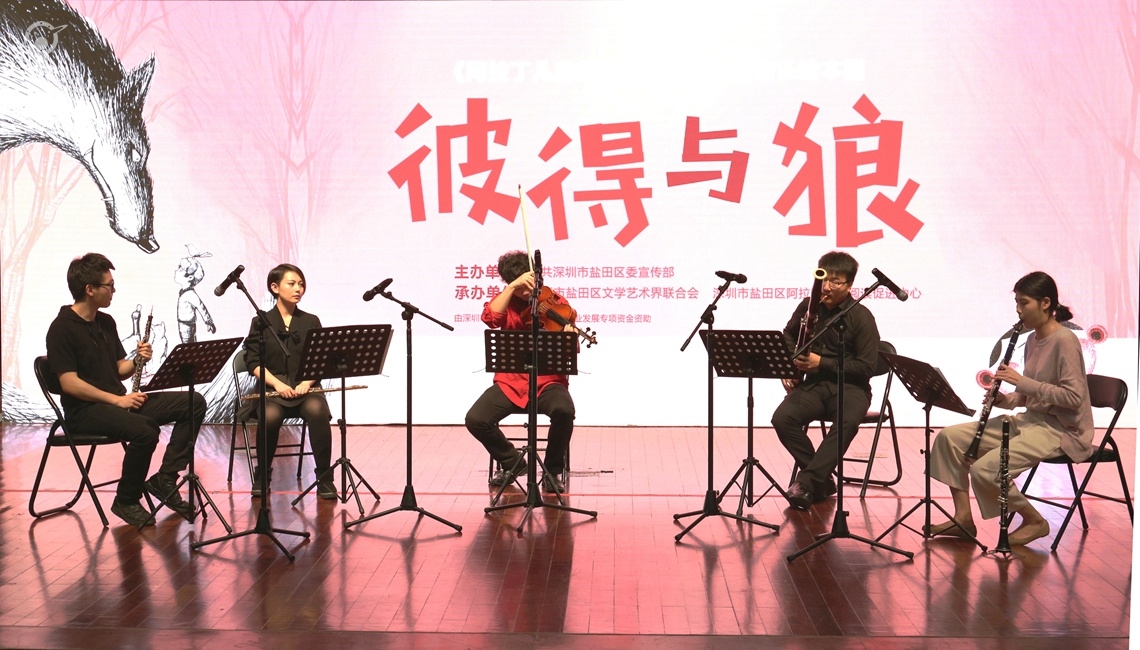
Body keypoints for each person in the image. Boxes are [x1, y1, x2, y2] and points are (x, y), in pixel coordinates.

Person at [927, 271, 1093, 546]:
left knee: (986, 469)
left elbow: (1073, 398)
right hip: (1030, 421)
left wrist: (1022, 383)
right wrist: (1006, 400)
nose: (1018, 310)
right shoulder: (1032, 340)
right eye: (1016, 302)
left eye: (1024, 303)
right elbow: (1028, 396)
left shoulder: (1065, 340)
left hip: (1061, 430)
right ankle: (963, 518)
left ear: (1045, 303)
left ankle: (1035, 521)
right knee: (949, 439)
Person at [45, 253, 206, 527]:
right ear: (90, 289)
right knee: (145, 430)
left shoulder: (105, 322)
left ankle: (165, 479)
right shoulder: (61, 328)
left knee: (194, 402)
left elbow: (119, 368)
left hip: (115, 402)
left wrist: (137, 360)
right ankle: (126, 500)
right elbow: (69, 383)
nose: (114, 290)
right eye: (109, 285)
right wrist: (117, 401)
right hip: (84, 411)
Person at [771, 251, 880, 510]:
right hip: (815, 384)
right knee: (782, 419)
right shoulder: (808, 306)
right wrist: (791, 363)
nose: (827, 287)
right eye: (824, 280)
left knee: (846, 422)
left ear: (850, 285)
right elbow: (788, 335)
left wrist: (822, 362)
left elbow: (866, 366)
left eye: (835, 281)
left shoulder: (861, 316)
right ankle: (821, 480)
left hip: (852, 387)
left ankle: (807, 482)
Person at [465, 251, 577, 494]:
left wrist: (569, 339)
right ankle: (513, 462)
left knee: (564, 411)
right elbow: (490, 318)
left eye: (531, 284)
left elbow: (571, 352)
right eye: (521, 288)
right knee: (476, 419)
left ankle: (552, 471)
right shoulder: (506, 301)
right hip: (511, 383)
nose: (528, 293)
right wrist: (512, 287)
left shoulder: (557, 302)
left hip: (548, 382)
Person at [242, 263, 335, 499]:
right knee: (270, 415)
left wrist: (307, 382)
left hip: (306, 387)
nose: (298, 289)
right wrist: (278, 384)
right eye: (291, 284)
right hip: (273, 388)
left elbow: (320, 358)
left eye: (301, 284)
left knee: (317, 410)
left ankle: (325, 477)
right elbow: (253, 362)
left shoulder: (310, 320)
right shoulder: (261, 321)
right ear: (275, 287)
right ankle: (263, 475)